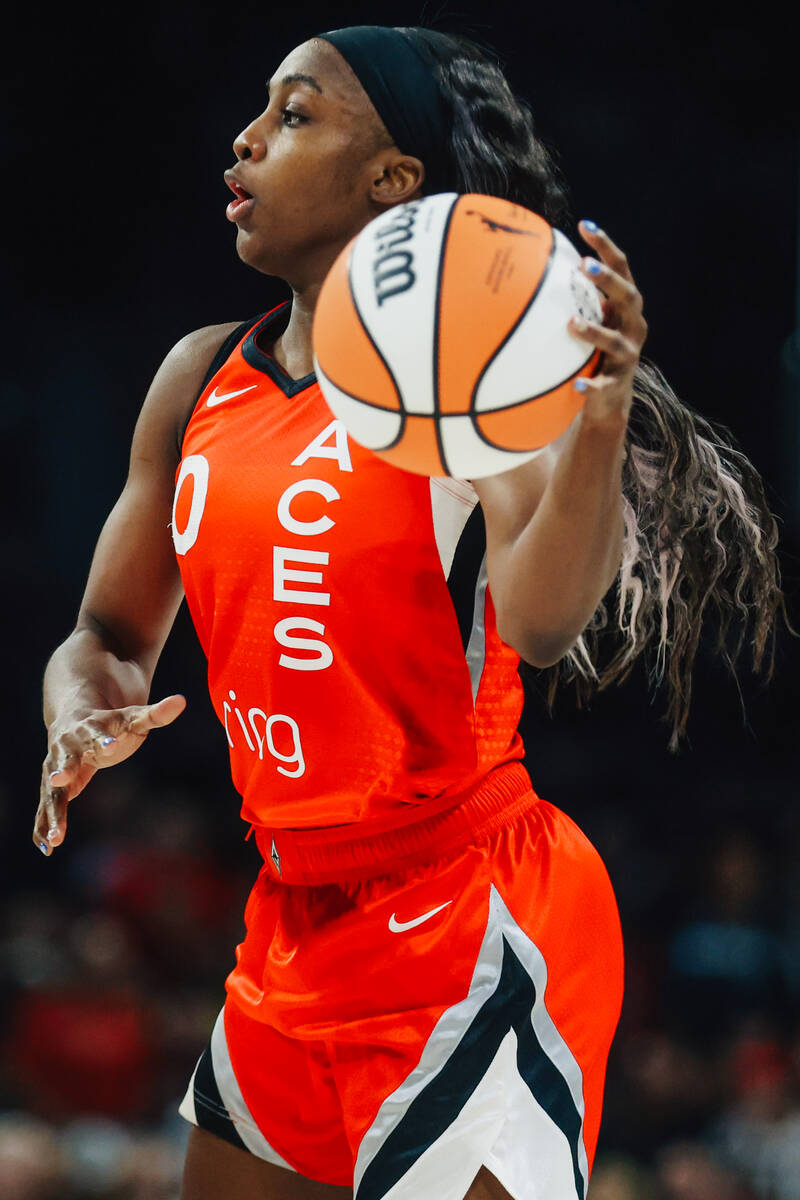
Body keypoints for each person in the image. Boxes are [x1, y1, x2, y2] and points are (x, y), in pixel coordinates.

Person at [32, 24, 785, 1200]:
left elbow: (541, 621)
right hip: (290, 911)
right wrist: (80, 712)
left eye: (294, 114)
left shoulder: (456, 378)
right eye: (259, 108)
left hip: (464, 904)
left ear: (391, 180)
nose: (245, 138)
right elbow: (109, 637)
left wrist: (594, 423)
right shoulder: (199, 375)